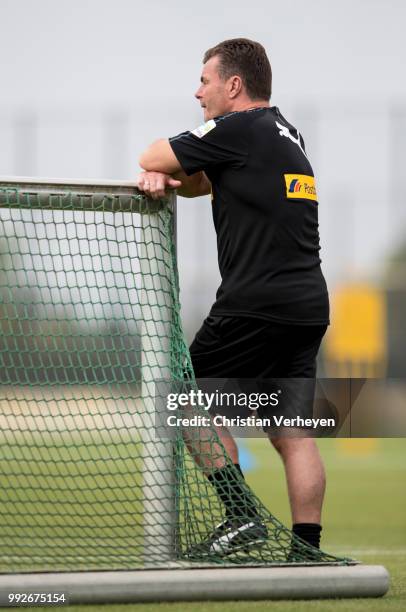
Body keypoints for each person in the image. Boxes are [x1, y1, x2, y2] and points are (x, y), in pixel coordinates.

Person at [137, 38, 329, 558]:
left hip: (254, 303)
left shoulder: (236, 128)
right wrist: (176, 178)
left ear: (234, 85)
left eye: (205, 80)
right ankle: (307, 550)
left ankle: (241, 514)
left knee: (182, 398)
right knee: (292, 431)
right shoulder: (286, 133)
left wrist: (161, 167)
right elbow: (207, 183)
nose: (198, 92)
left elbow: (152, 154)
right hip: (308, 303)